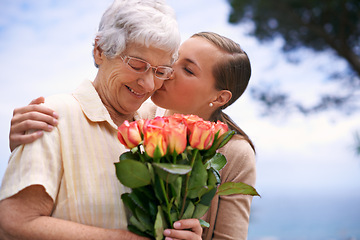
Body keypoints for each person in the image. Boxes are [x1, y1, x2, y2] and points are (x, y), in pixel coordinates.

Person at [8, 32, 257, 239]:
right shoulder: (137, 116)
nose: (169, 71)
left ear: (219, 98)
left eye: (188, 70)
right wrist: (29, 142)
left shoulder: (235, 152)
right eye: (174, 59)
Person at [0, 1, 202, 240]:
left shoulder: (159, 125)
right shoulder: (52, 116)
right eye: (137, 65)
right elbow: (16, 221)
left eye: (160, 72)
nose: (149, 84)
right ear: (100, 50)